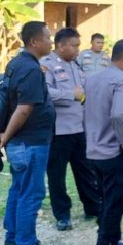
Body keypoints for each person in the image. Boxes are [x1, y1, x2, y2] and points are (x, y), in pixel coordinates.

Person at [0, 21, 58, 245]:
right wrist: (6, 135)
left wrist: (7, 136)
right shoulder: (30, 69)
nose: (51, 42)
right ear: (35, 42)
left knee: (19, 190)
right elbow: (23, 109)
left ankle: (12, 240)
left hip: (22, 143)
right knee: (31, 193)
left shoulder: (18, 63)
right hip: (30, 143)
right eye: (48, 38)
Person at [84, 39, 123, 245]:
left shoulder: (93, 78)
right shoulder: (122, 81)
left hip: (93, 151)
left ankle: (106, 244)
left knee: (106, 201)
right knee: (116, 202)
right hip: (112, 152)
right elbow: (118, 115)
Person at [41, 28, 100, 232]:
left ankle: (93, 208)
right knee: (57, 176)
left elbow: (83, 91)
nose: (77, 50)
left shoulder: (75, 64)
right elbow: (45, 93)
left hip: (78, 128)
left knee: (85, 170)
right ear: (61, 45)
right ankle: (62, 215)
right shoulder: (47, 65)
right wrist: (70, 95)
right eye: (74, 46)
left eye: (78, 46)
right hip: (58, 131)